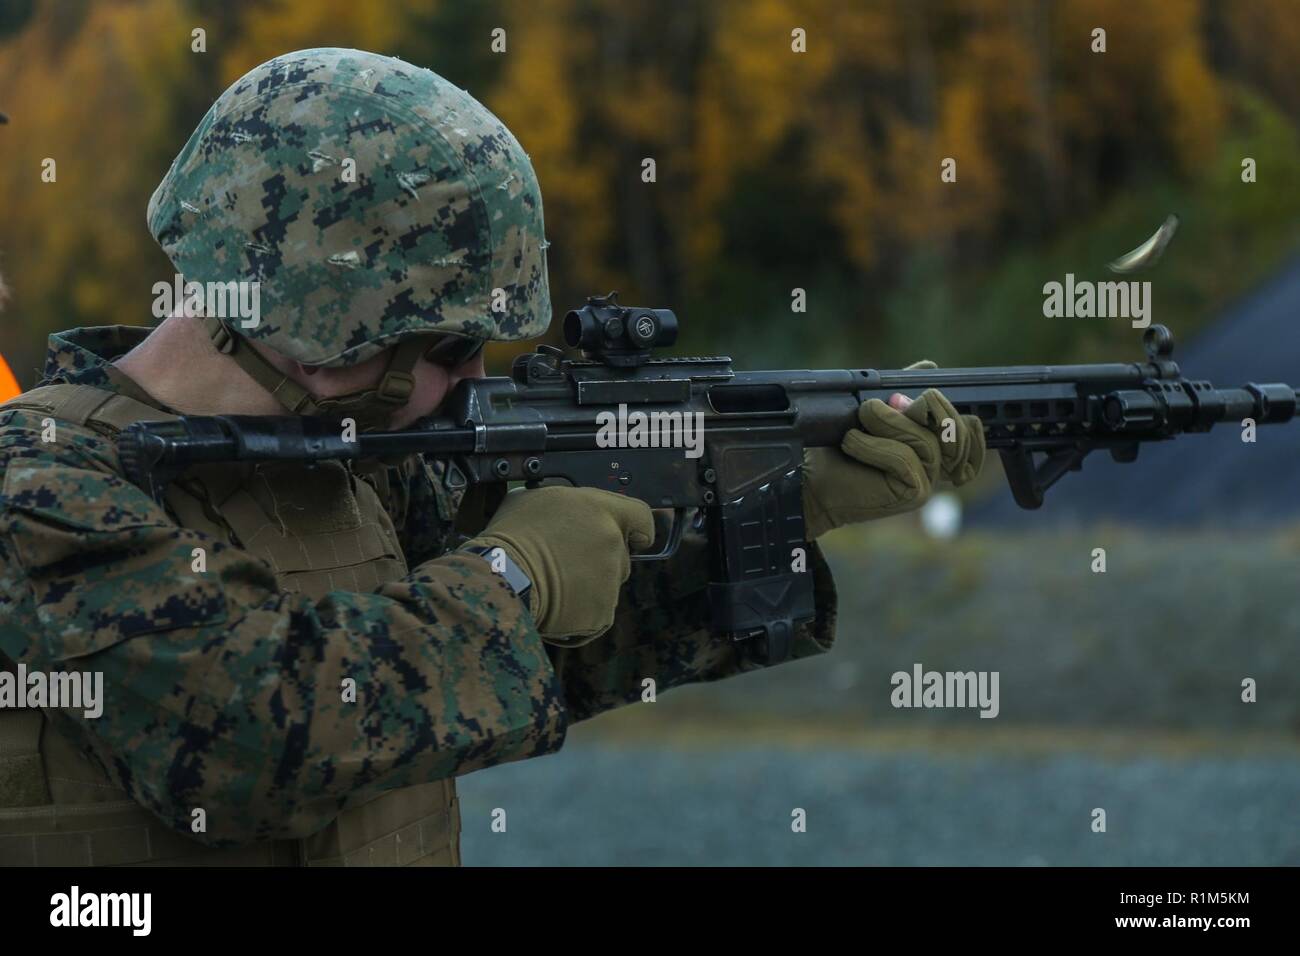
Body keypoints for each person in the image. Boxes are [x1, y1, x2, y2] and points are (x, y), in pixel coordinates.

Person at [0, 48, 984, 866]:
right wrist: (513, 570)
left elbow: (519, 664)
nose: (473, 381)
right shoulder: (41, 483)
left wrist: (792, 501)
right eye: (446, 347)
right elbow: (251, 737)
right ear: (318, 328)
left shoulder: (353, 466)